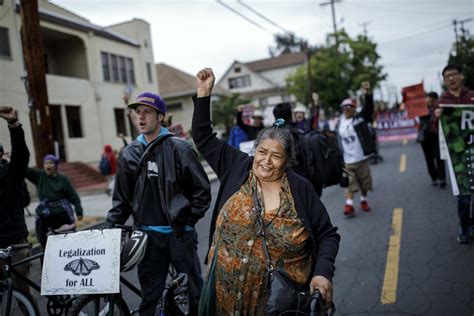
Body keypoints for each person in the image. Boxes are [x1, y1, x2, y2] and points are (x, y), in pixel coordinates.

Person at [192, 68, 340, 315]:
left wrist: (322, 274)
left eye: (276, 156)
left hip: (275, 305)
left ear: (287, 160)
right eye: (262, 152)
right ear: (255, 150)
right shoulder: (236, 167)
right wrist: (204, 93)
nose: (266, 161)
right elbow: (203, 137)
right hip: (224, 298)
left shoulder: (300, 189)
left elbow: (328, 235)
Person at [107, 92, 211, 315]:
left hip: (179, 236)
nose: (141, 117)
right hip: (147, 238)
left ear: (160, 116)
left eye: (147, 112)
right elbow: (122, 200)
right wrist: (109, 229)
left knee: (194, 293)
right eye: (138, 112)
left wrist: (187, 223)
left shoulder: (179, 148)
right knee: (150, 299)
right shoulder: (129, 154)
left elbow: (202, 192)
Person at [434, 64, 474, 244]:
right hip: (457, 157)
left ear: (461, 76)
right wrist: (437, 117)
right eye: (447, 76)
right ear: (444, 81)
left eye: (454, 74)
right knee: (464, 196)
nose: (452, 78)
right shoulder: (442, 102)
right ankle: (465, 226)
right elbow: (434, 129)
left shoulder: (472, 96)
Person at [0, 106, 33, 301]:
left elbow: (21, 157)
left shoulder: (9, 176)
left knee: (22, 296)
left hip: (14, 245)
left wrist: (13, 124)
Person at [26, 154, 83, 248]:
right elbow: (25, 169)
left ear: (55, 165)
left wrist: (79, 211)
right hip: (45, 214)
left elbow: (73, 196)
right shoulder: (40, 176)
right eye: (45, 163)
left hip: (61, 213)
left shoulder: (63, 179)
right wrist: (14, 158)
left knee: (66, 240)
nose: (48, 165)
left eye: (50, 163)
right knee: (44, 240)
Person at [338, 81, 375, 217]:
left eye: (350, 106)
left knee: (365, 183)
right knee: (350, 184)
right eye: (344, 107)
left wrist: (368, 94)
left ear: (354, 108)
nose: (347, 109)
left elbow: (369, 108)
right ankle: (349, 205)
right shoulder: (338, 123)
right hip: (347, 161)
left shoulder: (360, 119)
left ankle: (364, 200)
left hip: (361, 158)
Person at [417, 92, 446, 187]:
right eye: (427, 100)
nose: (428, 102)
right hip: (425, 137)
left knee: (439, 157)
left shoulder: (439, 108)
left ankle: (442, 178)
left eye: (430, 100)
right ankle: (434, 177)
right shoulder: (421, 109)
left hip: (436, 135)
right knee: (429, 158)